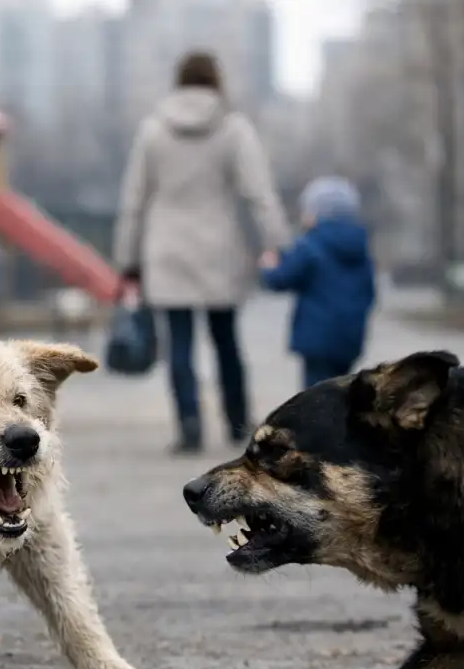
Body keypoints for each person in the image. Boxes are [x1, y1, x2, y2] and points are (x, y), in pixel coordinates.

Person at [113, 51, 290, 454]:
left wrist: (128, 259)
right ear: (216, 81)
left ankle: (190, 425)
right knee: (226, 339)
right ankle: (237, 422)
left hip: (166, 248)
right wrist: (279, 243)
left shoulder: (153, 131)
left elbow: (134, 200)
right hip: (218, 248)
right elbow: (259, 192)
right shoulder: (233, 128)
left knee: (179, 343)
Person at [259, 176, 376, 389]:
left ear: (318, 213)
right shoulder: (361, 249)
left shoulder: (311, 245)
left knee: (315, 396)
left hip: (317, 339)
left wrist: (269, 267)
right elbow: (370, 293)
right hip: (349, 338)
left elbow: (283, 278)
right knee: (343, 393)